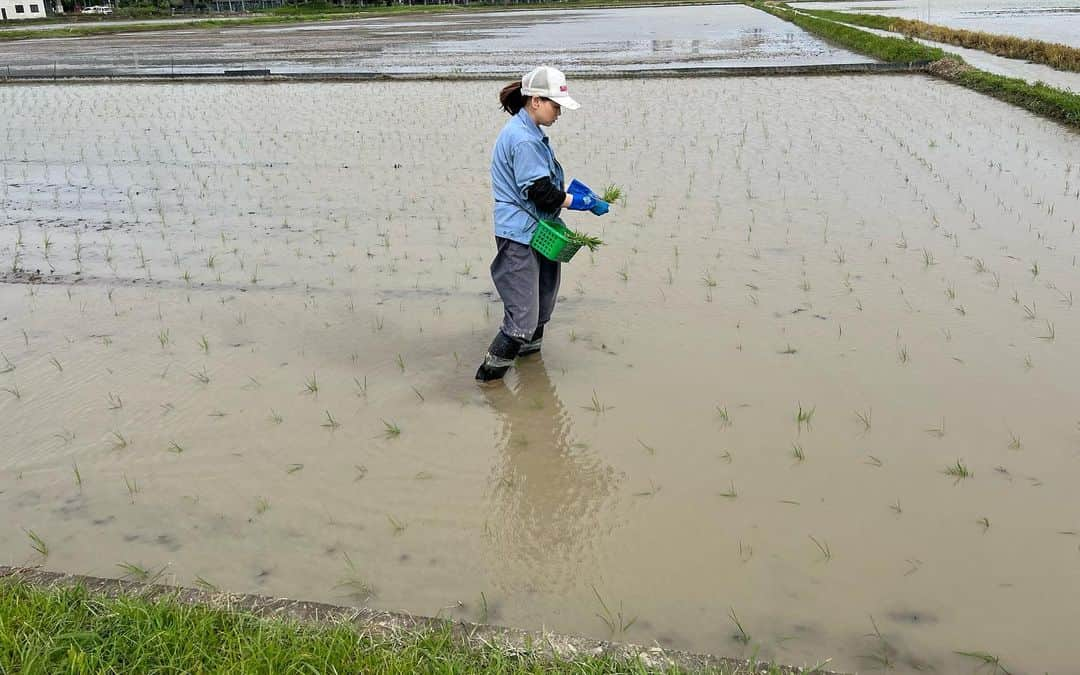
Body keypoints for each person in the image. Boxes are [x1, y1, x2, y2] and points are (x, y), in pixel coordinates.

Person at [475, 66, 610, 382]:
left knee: (543, 304)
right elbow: (540, 193)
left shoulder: (531, 133)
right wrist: (582, 203)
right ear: (535, 100)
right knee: (523, 316)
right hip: (520, 234)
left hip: (540, 231)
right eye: (555, 105)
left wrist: (571, 195)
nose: (559, 112)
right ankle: (488, 381)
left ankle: (532, 376)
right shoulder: (523, 139)